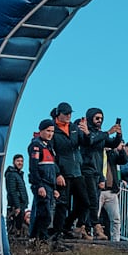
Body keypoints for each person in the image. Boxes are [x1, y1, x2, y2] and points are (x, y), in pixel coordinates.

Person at [78, 108, 123, 239]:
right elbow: (90, 140)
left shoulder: (100, 134)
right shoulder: (86, 132)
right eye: (97, 118)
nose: (99, 121)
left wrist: (119, 134)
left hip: (97, 172)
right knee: (91, 200)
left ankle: (83, 227)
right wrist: (108, 132)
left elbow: (113, 143)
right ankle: (95, 227)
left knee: (91, 201)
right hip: (86, 170)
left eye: (101, 119)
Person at [49, 102, 90, 239]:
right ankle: (57, 232)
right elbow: (50, 153)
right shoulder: (52, 129)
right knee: (62, 204)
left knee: (85, 202)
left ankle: (67, 226)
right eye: (66, 113)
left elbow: (85, 143)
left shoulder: (73, 127)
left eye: (70, 113)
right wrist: (57, 173)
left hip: (77, 171)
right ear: (58, 114)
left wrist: (86, 133)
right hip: (63, 172)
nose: (68, 116)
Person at [28, 119, 61, 244]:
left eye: (52, 131)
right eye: (48, 131)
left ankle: (39, 239)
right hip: (41, 184)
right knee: (43, 213)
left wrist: (54, 188)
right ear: (41, 130)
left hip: (49, 185)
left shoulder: (49, 146)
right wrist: (39, 185)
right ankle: (39, 239)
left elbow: (52, 168)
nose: (50, 134)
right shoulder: (36, 146)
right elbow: (34, 168)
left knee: (46, 212)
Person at [96, 141, 128, 241]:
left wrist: (122, 150)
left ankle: (116, 239)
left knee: (116, 218)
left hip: (112, 191)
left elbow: (123, 160)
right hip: (99, 190)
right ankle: (92, 235)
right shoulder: (96, 153)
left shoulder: (112, 154)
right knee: (94, 216)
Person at [5, 154, 30, 238]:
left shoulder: (18, 174)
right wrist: (17, 206)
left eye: (22, 161)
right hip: (15, 206)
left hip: (21, 205)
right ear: (13, 162)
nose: (20, 163)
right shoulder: (11, 174)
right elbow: (12, 191)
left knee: (20, 228)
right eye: (18, 161)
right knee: (14, 229)